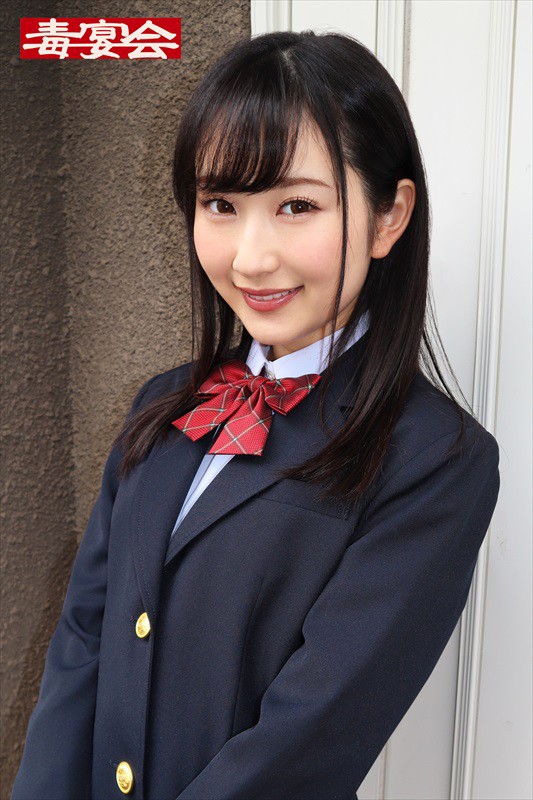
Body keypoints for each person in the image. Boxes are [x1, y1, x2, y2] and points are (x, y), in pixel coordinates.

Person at [11, 29, 500, 800]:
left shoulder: (434, 459)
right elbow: (82, 645)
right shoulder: (161, 406)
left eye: (296, 205)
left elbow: (309, 738)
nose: (249, 257)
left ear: (388, 217)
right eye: (221, 204)